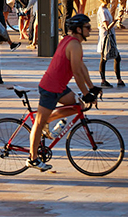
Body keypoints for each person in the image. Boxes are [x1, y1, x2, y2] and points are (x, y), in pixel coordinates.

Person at [28, 14, 101, 172]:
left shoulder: (71, 42)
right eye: (88, 27)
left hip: (59, 87)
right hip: (50, 88)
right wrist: (86, 92)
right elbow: (76, 72)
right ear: (79, 29)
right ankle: (32, 159)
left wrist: (92, 88)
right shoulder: (74, 45)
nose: (90, 29)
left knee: (79, 106)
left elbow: (81, 67)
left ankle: (49, 120)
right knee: (38, 124)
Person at [96, 0, 125, 88]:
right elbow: (107, 26)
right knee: (106, 58)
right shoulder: (103, 11)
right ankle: (108, 79)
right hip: (106, 36)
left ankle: (116, 79)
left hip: (109, 35)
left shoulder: (105, 9)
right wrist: (116, 20)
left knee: (110, 57)